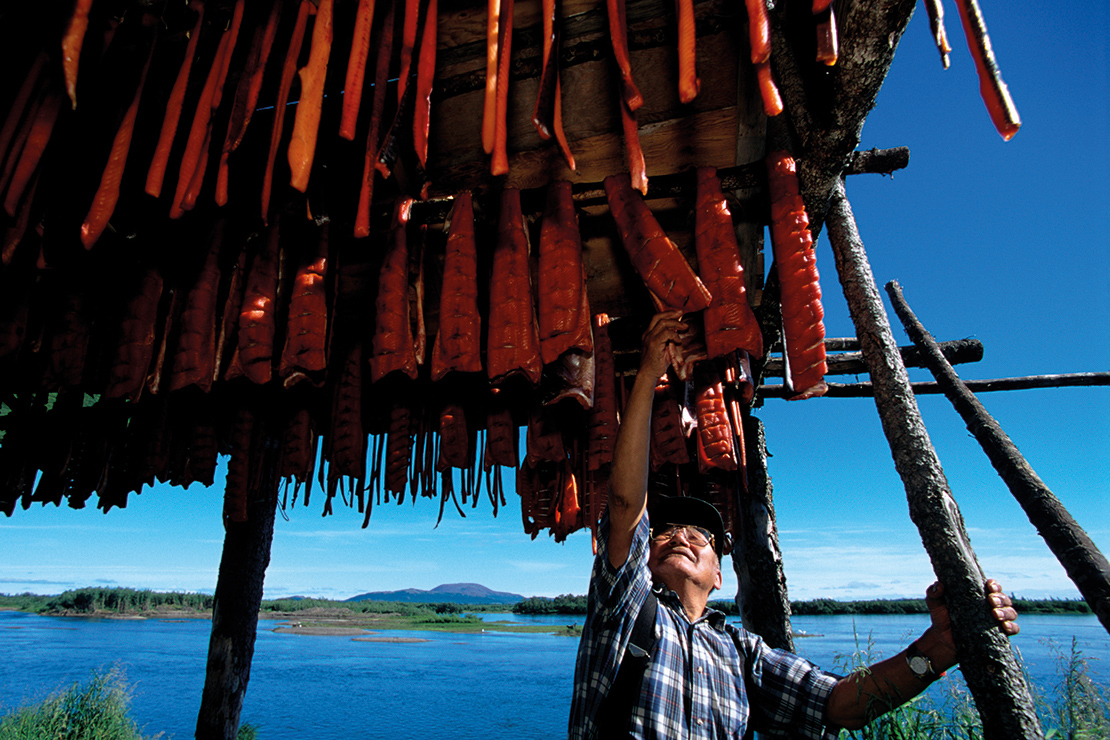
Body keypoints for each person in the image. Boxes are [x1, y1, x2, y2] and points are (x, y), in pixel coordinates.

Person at [568, 311, 1020, 739]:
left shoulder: (743, 654)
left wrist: (938, 647)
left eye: (702, 535)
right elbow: (627, 504)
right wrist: (648, 374)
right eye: (665, 531)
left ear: (720, 575)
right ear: (643, 557)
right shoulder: (622, 610)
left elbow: (843, 705)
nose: (683, 536)